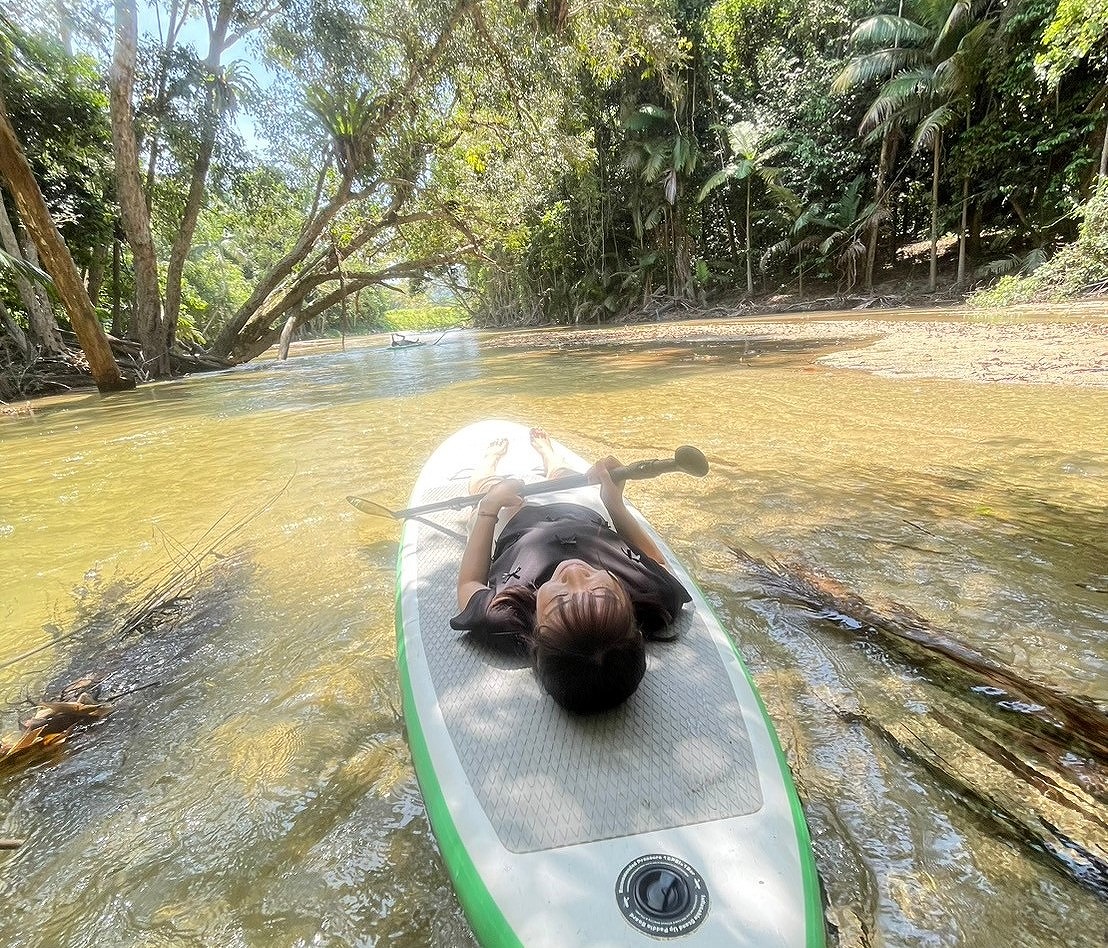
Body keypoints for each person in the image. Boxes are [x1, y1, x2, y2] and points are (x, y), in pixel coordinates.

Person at [452, 429, 691, 714]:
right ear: (632, 616)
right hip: (582, 516)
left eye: (560, 599)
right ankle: (549, 456)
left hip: (519, 519)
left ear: (537, 636)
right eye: (599, 588)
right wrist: (615, 503)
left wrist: (489, 508)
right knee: (564, 476)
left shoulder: (507, 617)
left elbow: (469, 583)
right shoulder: (654, 597)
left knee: (486, 485)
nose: (574, 572)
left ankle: (489, 461)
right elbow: (658, 562)